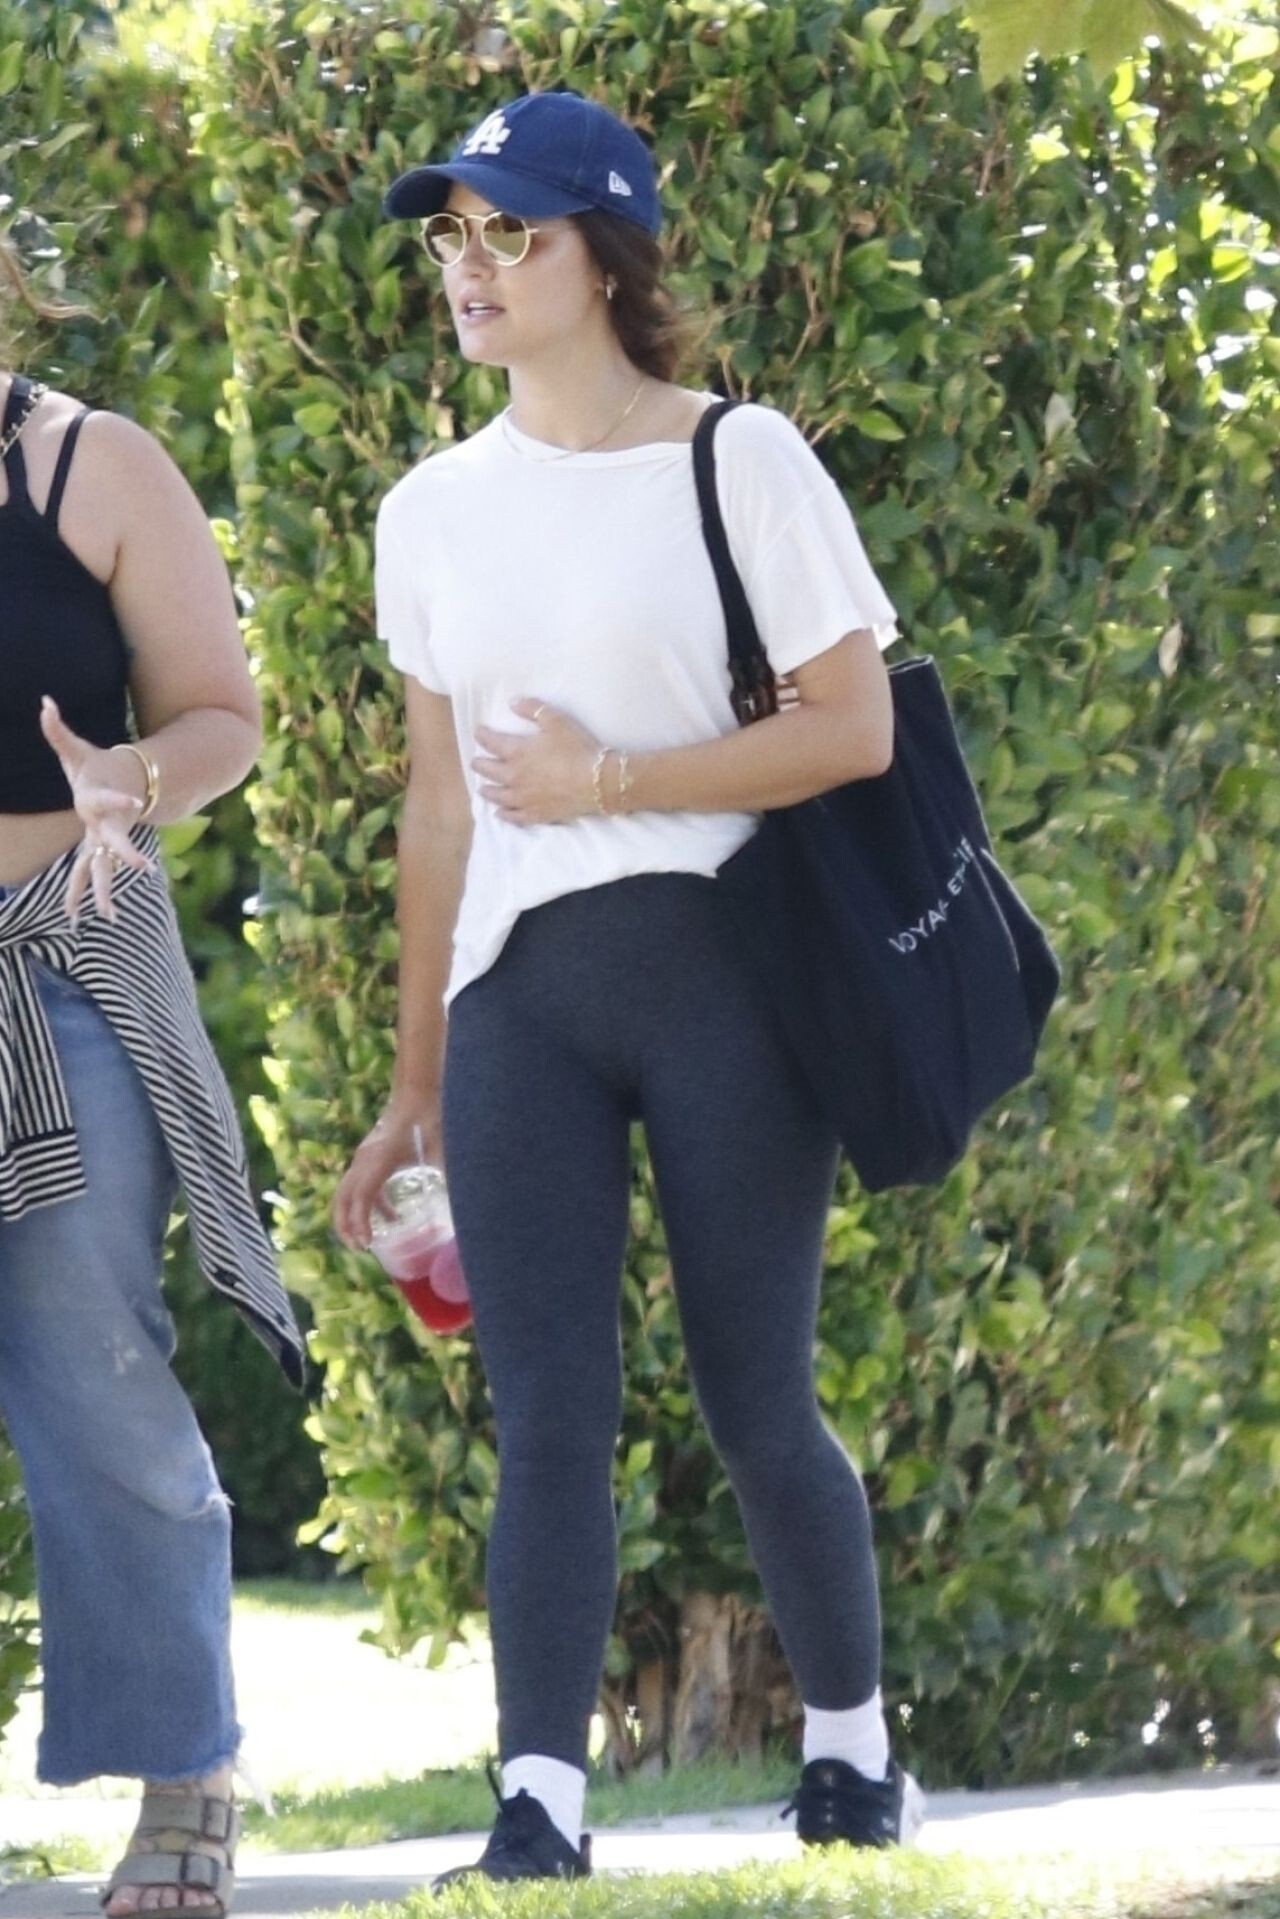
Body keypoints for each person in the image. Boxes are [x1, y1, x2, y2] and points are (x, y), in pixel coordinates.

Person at [334, 90, 924, 1888]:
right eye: (452, 234)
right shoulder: (431, 511)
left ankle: (851, 1760)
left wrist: (608, 780)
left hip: (725, 981)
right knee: (547, 1420)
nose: (470, 266)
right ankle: (539, 1808)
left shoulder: (738, 460)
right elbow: (440, 806)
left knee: (758, 1401)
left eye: (509, 232)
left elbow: (854, 727)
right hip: (520, 1003)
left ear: (605, 257)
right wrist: (413, 1080)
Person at [0, 239, 304, 1917]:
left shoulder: (91, 465)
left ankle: (186, 1764)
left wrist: (129, 776)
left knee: (94, 1369)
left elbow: (219, 717)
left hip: (63, 961)